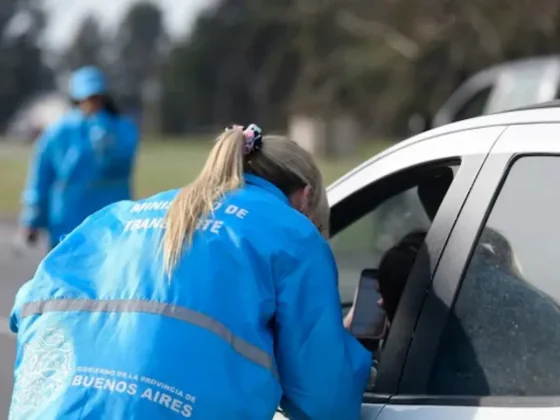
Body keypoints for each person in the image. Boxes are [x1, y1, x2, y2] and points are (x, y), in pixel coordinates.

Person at [9, 124, 372, 420]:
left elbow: (25, 308)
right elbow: (326, 403)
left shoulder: (117, 215)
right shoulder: (294, 234)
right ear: (305, 197)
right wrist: (340, 348)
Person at [18, 65, 139, 250]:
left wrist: (105, 140)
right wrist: (32, 219)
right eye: (88, 97)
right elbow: (41, 178)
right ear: (77, 98)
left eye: (97, 97)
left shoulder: (122, 128)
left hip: (113, 219)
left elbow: (123, 164)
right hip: (68, 220)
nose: (93, 103)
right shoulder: (58, 132)